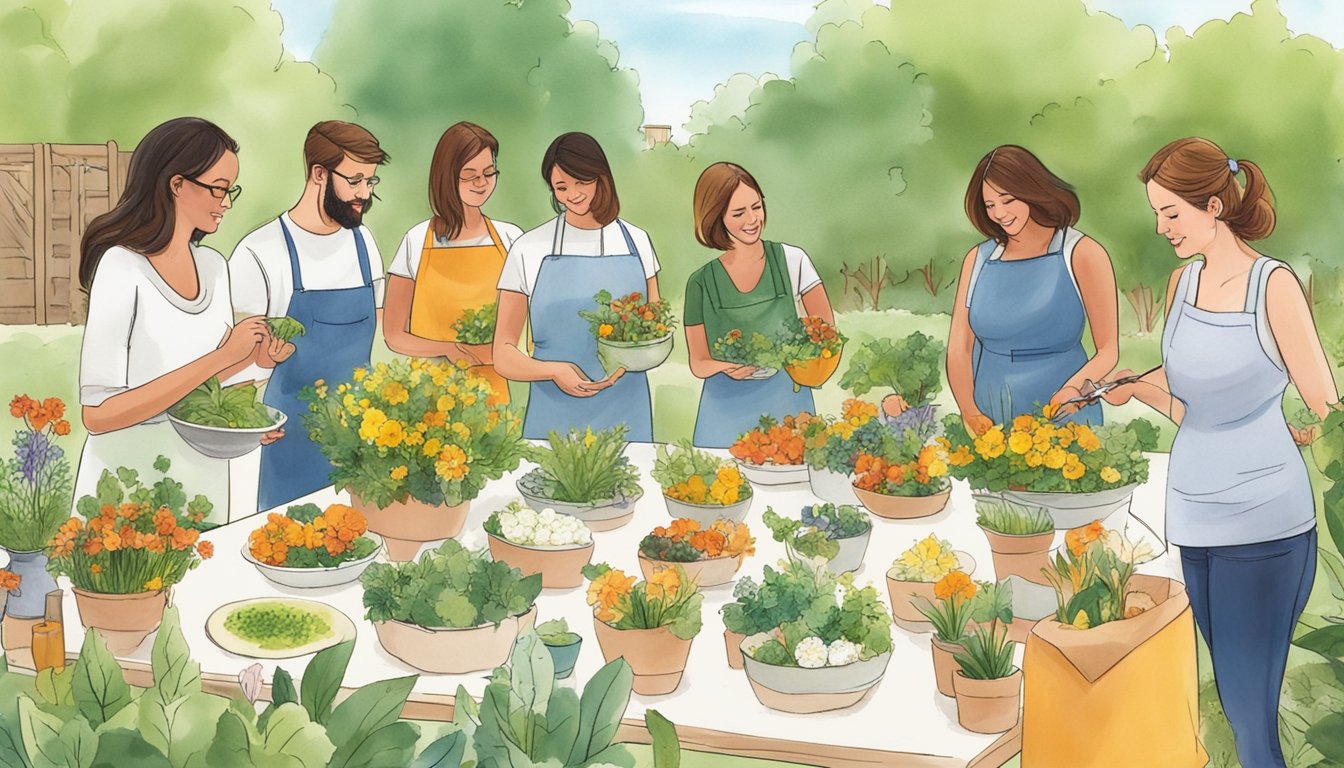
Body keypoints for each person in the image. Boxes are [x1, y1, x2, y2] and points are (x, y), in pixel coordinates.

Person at [1103, 137, 1337, 768]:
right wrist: (1136, 388)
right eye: (1156, 214)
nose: (1161, 228)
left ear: (1214, 206)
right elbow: (1193, 409)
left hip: (1264, 526)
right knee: (1236, 710)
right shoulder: (1182, 284)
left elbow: (1326, 404)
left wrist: (1321, 441)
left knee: (1249, 713)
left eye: (1171, 213)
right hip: (1196, 521)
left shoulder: (1273, 285)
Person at [76, 117, 286, 525]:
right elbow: (98, 414)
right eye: (219, 189)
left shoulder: (213, 267)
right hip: (127, 487)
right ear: (176, 184)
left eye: (230, 191)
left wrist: (251, 385)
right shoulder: (122, 267)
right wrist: (222, 356)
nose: (226, 202)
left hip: (201, 481)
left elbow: (209, 389)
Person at [229, 121, 388, 511]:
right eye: (354, 181)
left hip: (361, 440)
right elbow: (234, 363)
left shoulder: (363, 243)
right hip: (291, 440)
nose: (364, 194)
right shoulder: (260, 251)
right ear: (319, 173)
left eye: (371, 182)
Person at [493, 132, 659, 441]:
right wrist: (554, 371)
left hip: (626, 413)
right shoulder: (528, 248)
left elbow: (655, 333)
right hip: (553, 417)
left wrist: (627, 365)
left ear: (600, 176)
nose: (573, 194)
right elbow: (502, 353)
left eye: (581, 182)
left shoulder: (637, 242)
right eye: (561, 187)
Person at [945, 145, 1118, 434]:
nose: (999, 213)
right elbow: (959, 348)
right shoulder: (978, 260)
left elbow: (1108, 350)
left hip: (1063, 417)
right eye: (989, 206)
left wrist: (1073, 391)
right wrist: (970, 412)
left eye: (1008, 200)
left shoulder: (1082, 253)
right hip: (991, 419)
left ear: (1032, 190)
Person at [684, 162, 833, 447]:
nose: (752, 219)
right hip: (723, 414)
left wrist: (804, 362)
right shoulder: (700, 283)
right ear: (716, 217)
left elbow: (826, 334)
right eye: (739, 213)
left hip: (787, 407)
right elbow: (698, 362)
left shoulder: (793, 261)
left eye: (756, 207)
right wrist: (727, 366)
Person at [384, 121, 522, 404]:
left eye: (488, 173)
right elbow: (394, 334)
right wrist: (449, 349)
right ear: (447, 177)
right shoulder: (416, 240)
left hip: (492, 394)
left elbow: (521, 332)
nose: (481, 183)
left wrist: (491, 352)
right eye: (469, 175)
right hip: (427, 401)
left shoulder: (511, 239)